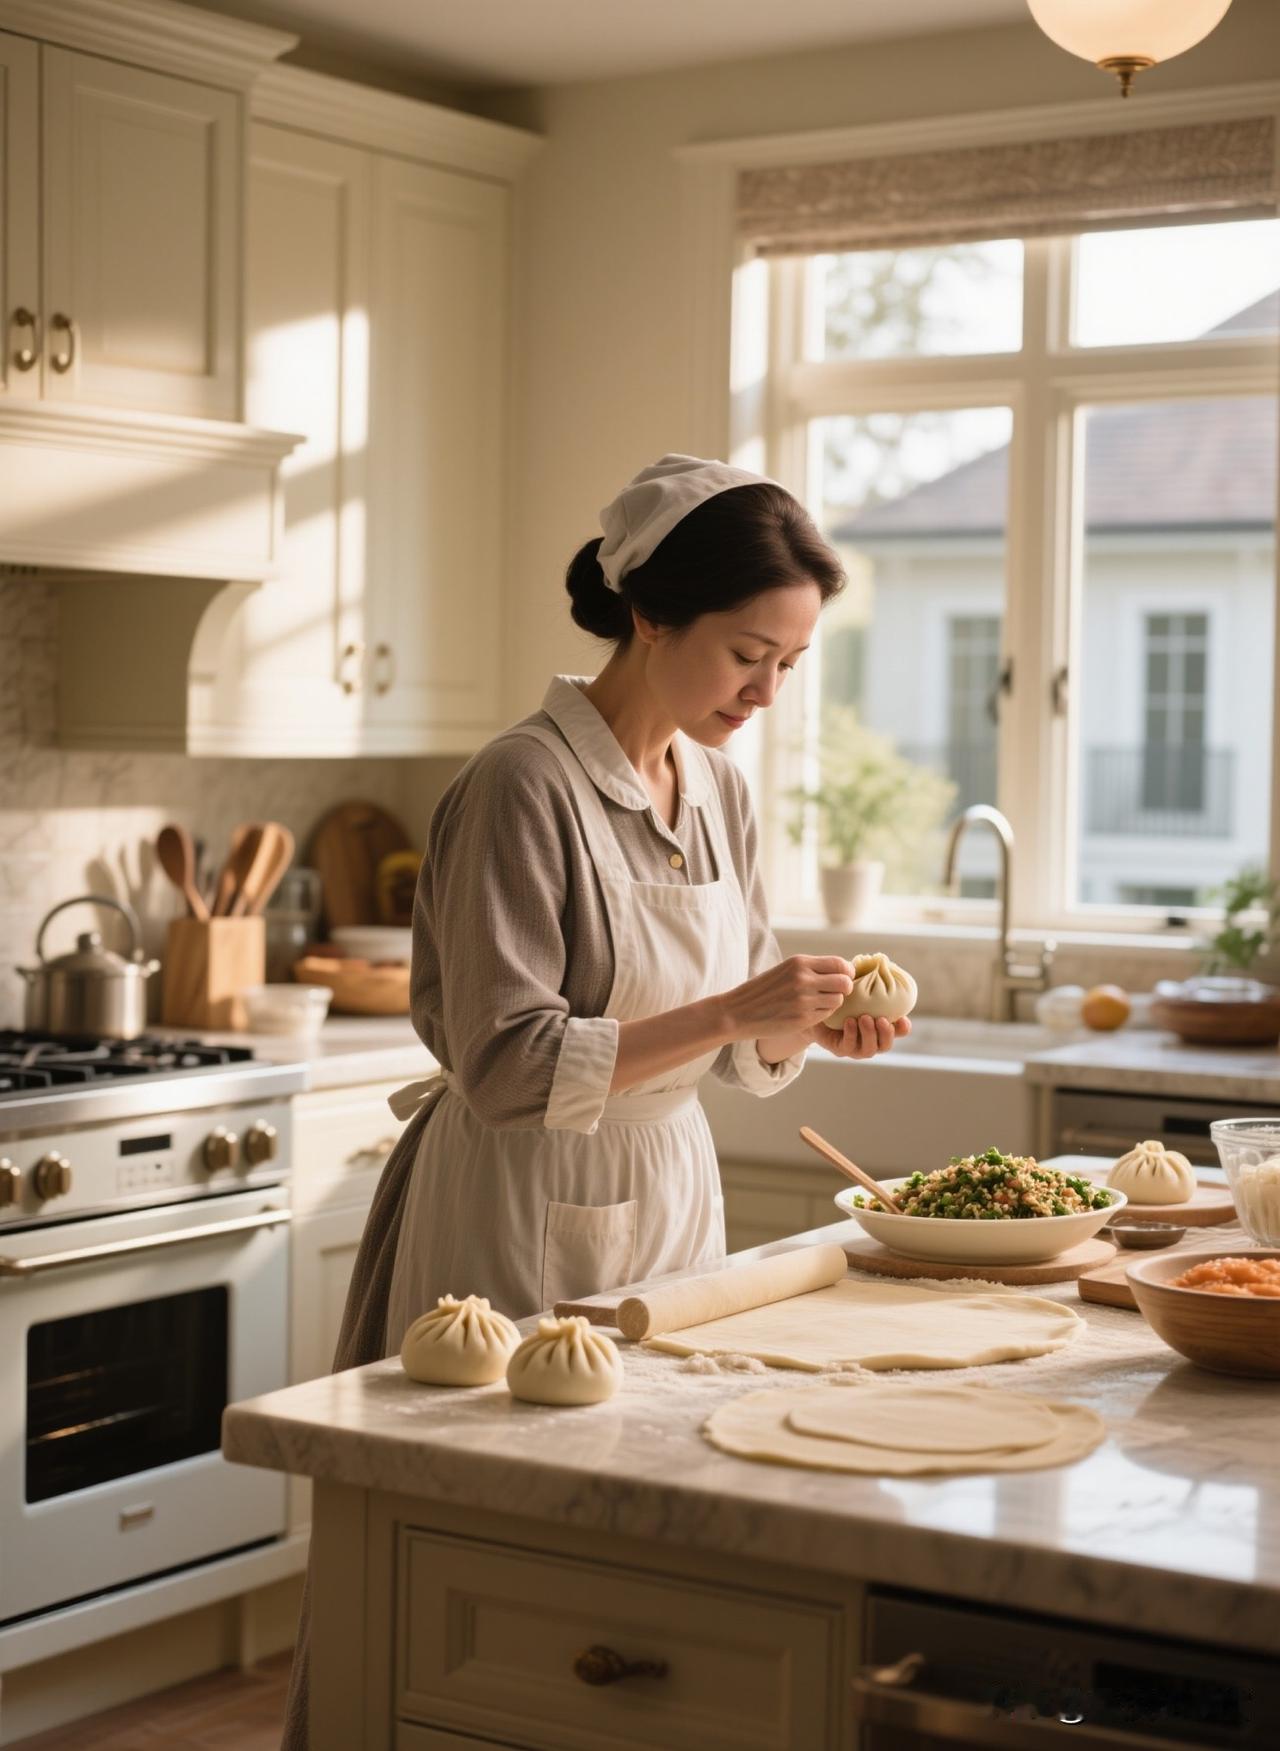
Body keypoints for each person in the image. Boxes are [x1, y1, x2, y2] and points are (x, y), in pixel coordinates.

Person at [278, 454, 909, 1748]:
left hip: (669, 1188)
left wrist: (804, 1025)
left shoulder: (719, 790)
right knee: (485, 1553)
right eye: (749, 653)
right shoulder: (523, 785)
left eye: (789, 665)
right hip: (516, 1202)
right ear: (650, 615)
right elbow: (507, 1066)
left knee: (637, 1562)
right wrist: (739, 1009)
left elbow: (734, 1041)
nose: (766, 693)